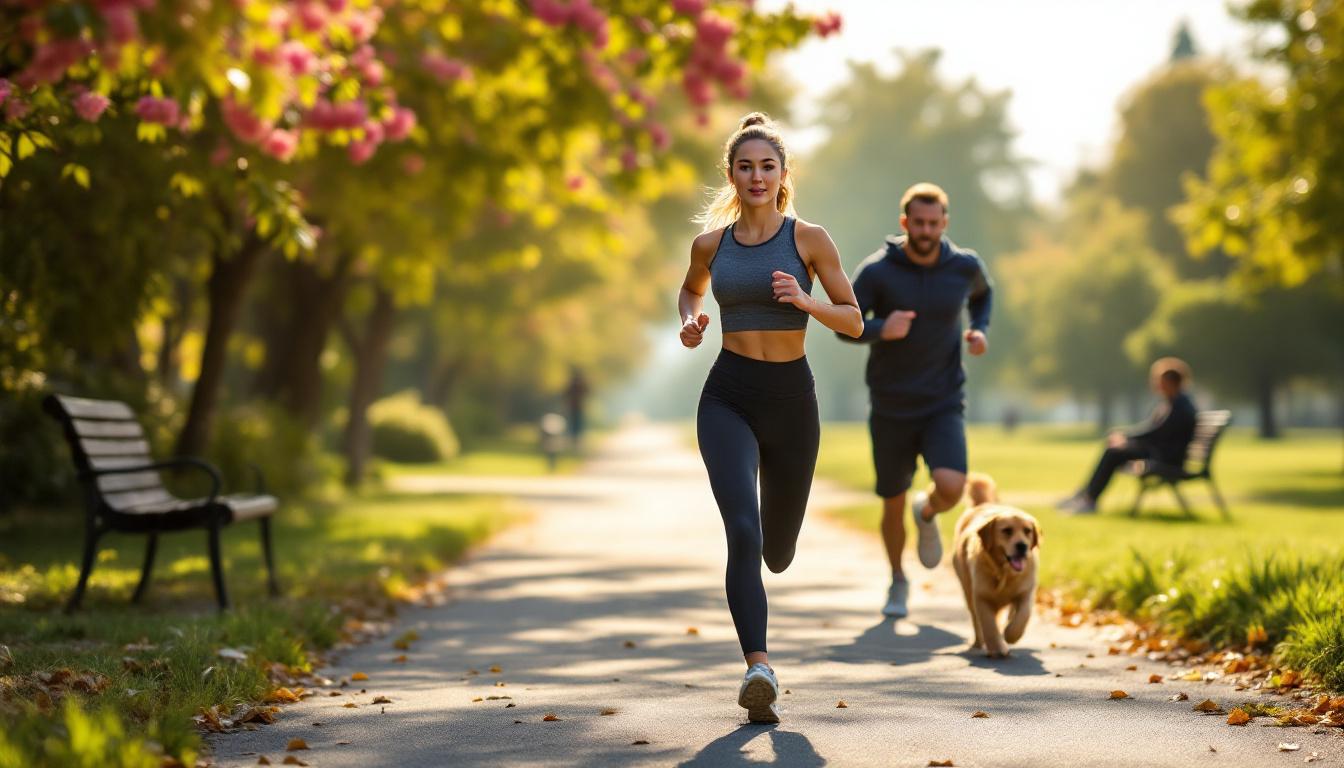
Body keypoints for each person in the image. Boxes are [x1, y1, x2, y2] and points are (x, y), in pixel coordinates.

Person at [678, 112, 862, 724]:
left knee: (777, 551)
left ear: (783, 174)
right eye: (744, 166)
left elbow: (854, 319)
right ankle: (758, 667)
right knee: (744, 532)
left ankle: (761, 641)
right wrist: (690, 321)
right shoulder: (713, 243)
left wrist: (806, 299)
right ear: (730, 174)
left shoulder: (809, 239)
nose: (756, 176)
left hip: (791, 401)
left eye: (767, 165)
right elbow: (691, 289)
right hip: (728, 395)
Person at [838, 182, 993, 619]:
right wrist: (879, 328)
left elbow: (983, 295)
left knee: (951, 485)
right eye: (918, 223)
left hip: (943, 399)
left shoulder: (964, 266)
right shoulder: (877, 271)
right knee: (891, 499)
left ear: (945, 223)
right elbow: (843, 322)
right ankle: (897, 580)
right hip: (890, 404)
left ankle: (927, 513)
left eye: (934, 223)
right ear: (904, 222)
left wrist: (980, 328)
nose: (926, 231)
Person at [1057, 358, 1197, 514]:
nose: (1156, 384)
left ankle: (1089, 498)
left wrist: (1126, 437)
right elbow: (1154, 430)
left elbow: (1156, 432)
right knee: (1114, 449)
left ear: (1171, 382)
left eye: (1160, 381)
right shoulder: (1174, 402)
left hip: (1164, 459)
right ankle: (1086, 494)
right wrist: (1125, 437)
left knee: (1114, 452)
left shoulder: (1180, 406)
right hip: (1158, 453)